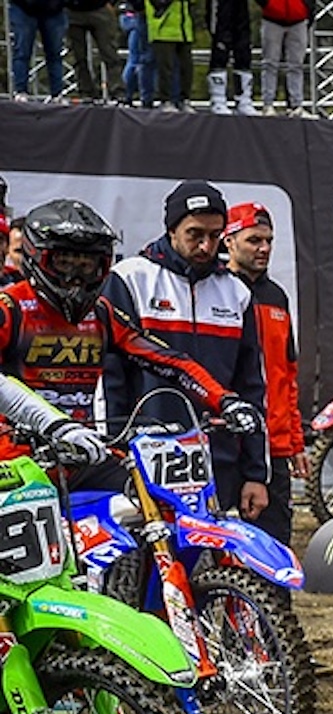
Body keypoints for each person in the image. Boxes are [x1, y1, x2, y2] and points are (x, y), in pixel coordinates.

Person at [0, 198, 248, 446]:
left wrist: (225, 400)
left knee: (139, 482)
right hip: (15, 453)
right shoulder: (10, 307)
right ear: (37, 256)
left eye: (86, 265)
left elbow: (169, 361)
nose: (74, 278)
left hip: (83, 447)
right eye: (64, 263)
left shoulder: (101, 313)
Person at [100, 181, 270, 515]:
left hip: (217, 463)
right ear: (171, 228)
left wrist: (255, 474)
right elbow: (109, 380)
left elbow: (251, 388)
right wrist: (113, 458)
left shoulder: (237, 292)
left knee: (213, 564)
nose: (206, 245)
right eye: (195, 234)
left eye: (215, 234)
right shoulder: (130, 278)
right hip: (143, 459)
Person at [221, 203, 304, 547]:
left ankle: (275, 604)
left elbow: (288, 375)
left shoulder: (277, 296)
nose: (264, 248)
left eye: (269, 240)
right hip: (226, 443)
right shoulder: (218, 290)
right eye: (254, 240)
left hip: (275, 447)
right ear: (228, 241)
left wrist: (296, 442)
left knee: (275, 547)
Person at [64, 0, 123, 103]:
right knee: (78, 56)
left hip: (99, 8)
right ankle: (86, 91)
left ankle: (117, 90)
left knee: (109, 53)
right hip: (72, 11)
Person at [8, 0, 66, 99]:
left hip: (54, 11)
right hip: (23, 8)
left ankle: (57, 94)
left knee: (55, 54)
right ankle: (20, 92)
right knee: (22, 52)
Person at [259, 0, 310, 113]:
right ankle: (268, 104)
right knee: (270, 63)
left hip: (298, 17)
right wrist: (268, 5)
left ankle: (296, 104)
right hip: (272, 18)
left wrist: (307, 9)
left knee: (296, 64)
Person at [146, 0, 194, 108]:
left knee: (187, 67)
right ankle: (165, 100)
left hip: (183, 30)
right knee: (165, 67)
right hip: (162, 29)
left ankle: (184, 99)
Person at [209, 0, 255, 112]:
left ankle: (243, 100)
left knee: (243, 50)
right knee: (221, 47)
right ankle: (218, 99)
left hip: (241, 6)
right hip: (221, 6)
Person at [118, 0, 154, 105]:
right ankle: (130, 96)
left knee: (135, 59)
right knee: (140, 60)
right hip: (137, 15)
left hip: (130, 14)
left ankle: (127, 95)